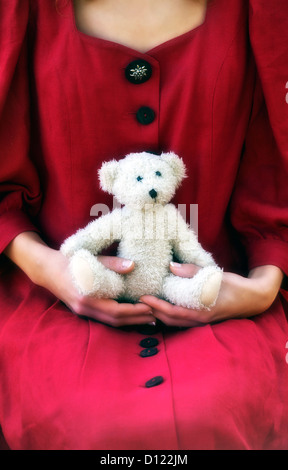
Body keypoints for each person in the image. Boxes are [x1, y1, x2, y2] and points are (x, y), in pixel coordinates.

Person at [0, 0, 288, 450]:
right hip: (46, 304)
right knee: (85, 425)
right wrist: (51, 268)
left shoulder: (265, 13)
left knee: (214, 418)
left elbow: (275, 177)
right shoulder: (18, 14)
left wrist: (261, 288)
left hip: (230, 304)